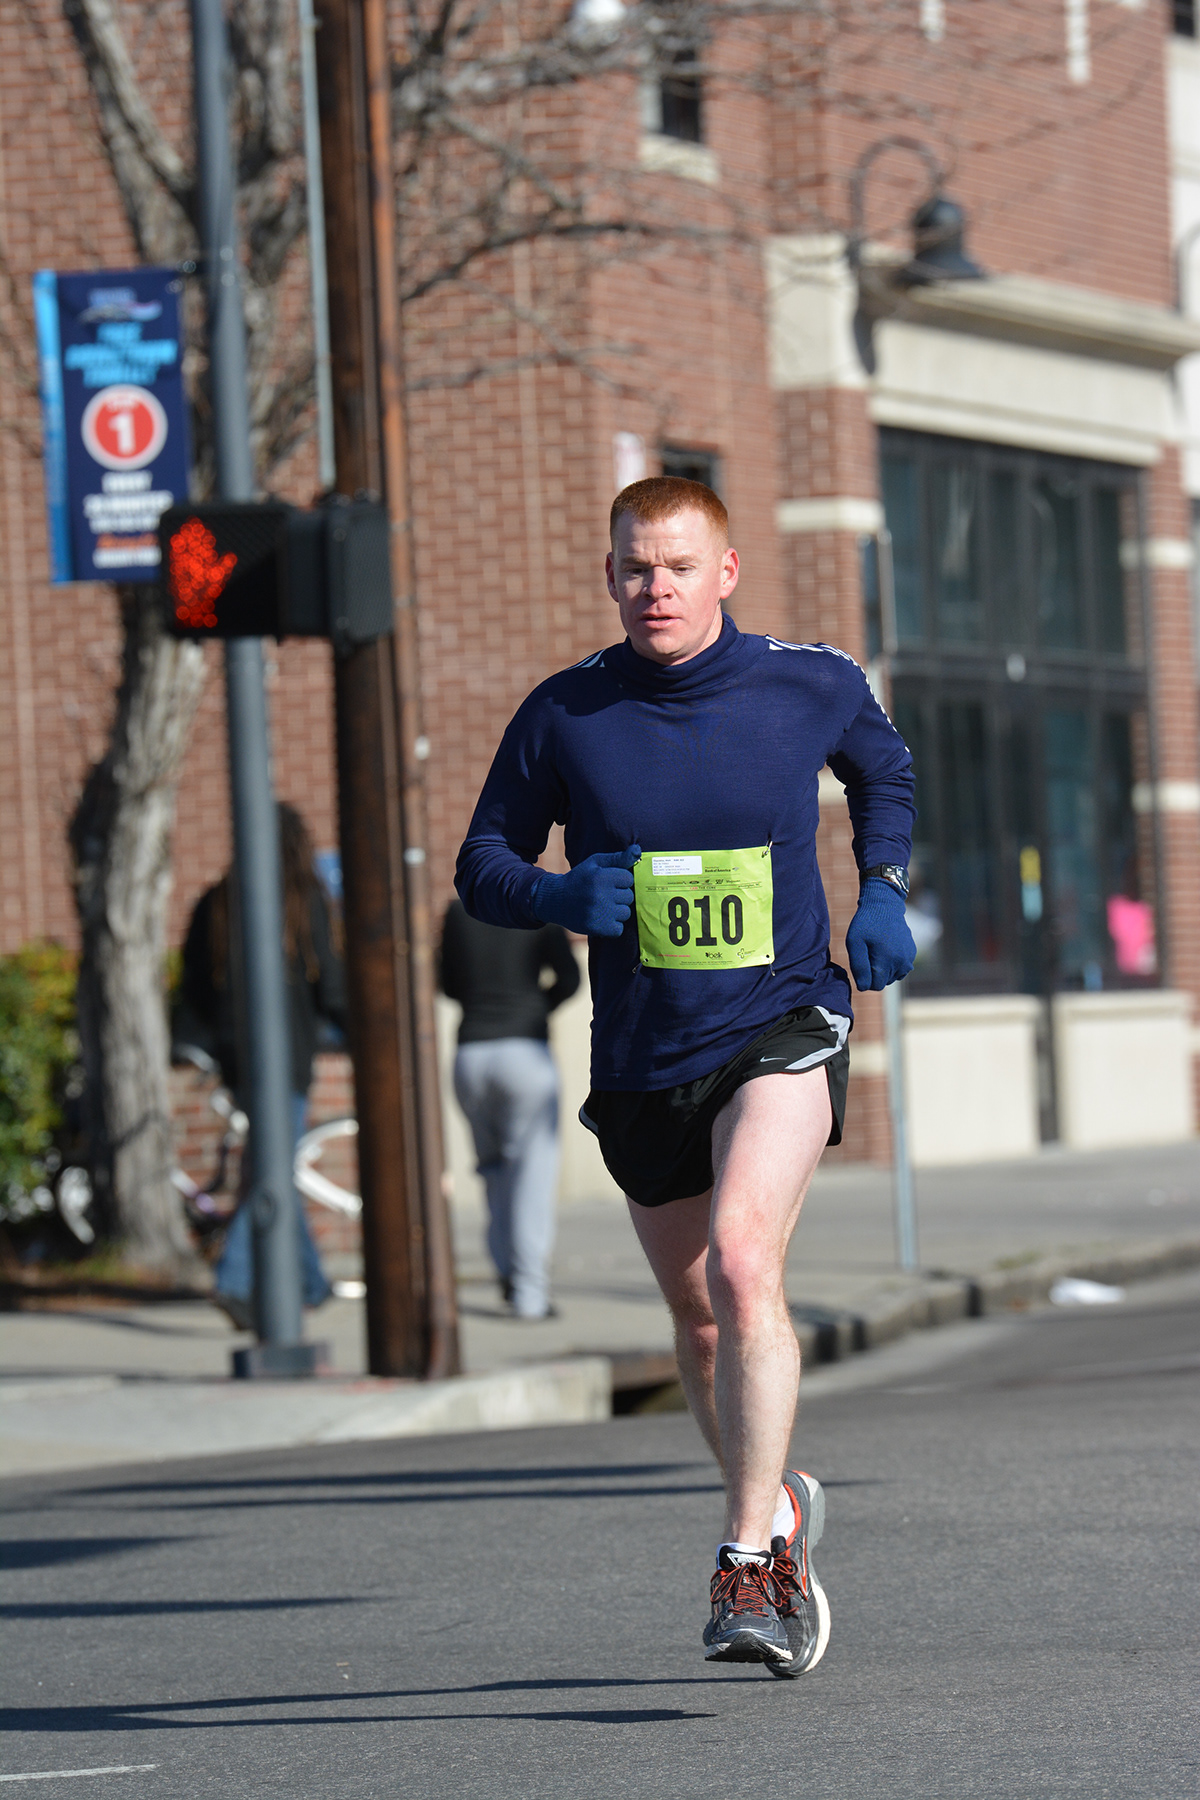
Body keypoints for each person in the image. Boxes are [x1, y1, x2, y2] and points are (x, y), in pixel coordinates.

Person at [456, 476, 915, 1675]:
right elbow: (483, 860)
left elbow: (884, 772)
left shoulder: (805, 681)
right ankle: (781, 1512)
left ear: (725, 572)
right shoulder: (567, 713)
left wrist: (885, 890)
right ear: (609, 576)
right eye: (631, 568)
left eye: (674, 567)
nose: (652, 588)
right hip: (645, 1052)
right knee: (702, 1320)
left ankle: (745, 1565)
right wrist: (558, 895)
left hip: (781, 1017)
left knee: (746, 1260)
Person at [175, 803, 347, 1330]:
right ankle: (234, 1279)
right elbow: (332, 987)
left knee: (266, 1166)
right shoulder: (302, 900)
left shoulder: (218, 902)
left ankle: (312, 1283)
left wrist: (198, 1042)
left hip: (237, 1057)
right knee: (272, 1168)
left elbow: (194, 988)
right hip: (288, 1056)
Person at [439, 899, 580, 1319]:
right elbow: (571, 980)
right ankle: (529, 1295)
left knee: (493, 1170)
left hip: (470, 1053)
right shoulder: (540, 902)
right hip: (525, 1052)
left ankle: (505, 1268)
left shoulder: (458, 911)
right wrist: (538, 1007)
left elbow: (446, 984)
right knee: (531, 1176)